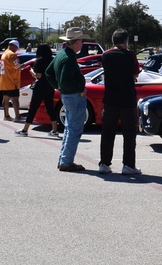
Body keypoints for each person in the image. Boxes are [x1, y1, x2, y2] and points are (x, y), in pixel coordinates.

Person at [98, 28, 142, 175]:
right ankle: (128, 165)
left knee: (107, 133)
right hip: (127, 99)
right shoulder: (130, 56)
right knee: (129, 134)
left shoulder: (106, 55)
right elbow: (136, 73)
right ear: (126, 41)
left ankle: (104, 163)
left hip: (110, 98)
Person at [46, 27, 88, 172]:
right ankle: (66, 161)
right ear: (76, 42)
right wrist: (79, 89)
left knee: (70, 128)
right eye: (81, 41)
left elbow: (48, 73)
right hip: (74, 96)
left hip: (67, 96)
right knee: (74, 129)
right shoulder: (69, 58)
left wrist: (58, 87)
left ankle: (64, 159)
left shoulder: (61, 54)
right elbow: (65, 80)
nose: (82, 44)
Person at [16, 44, 58, 137]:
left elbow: (38, 75)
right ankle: (55, 130)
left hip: (40, 87)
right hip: (50, 86)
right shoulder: (53, 61)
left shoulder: (39, 62)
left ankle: (25, 129)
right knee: (50, 107)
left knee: (33, 107)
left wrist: (31, 72)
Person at [0, 39, 22, 121]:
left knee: (5, 99)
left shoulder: (4, 54)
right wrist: (24, 66)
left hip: (4, 80)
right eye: (16, 48)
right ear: (13, 46)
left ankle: (6, 115)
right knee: (15, 99)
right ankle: (17, 116)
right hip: (12, 81)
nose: (16, 50)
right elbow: (17, 66)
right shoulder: (12, 55)